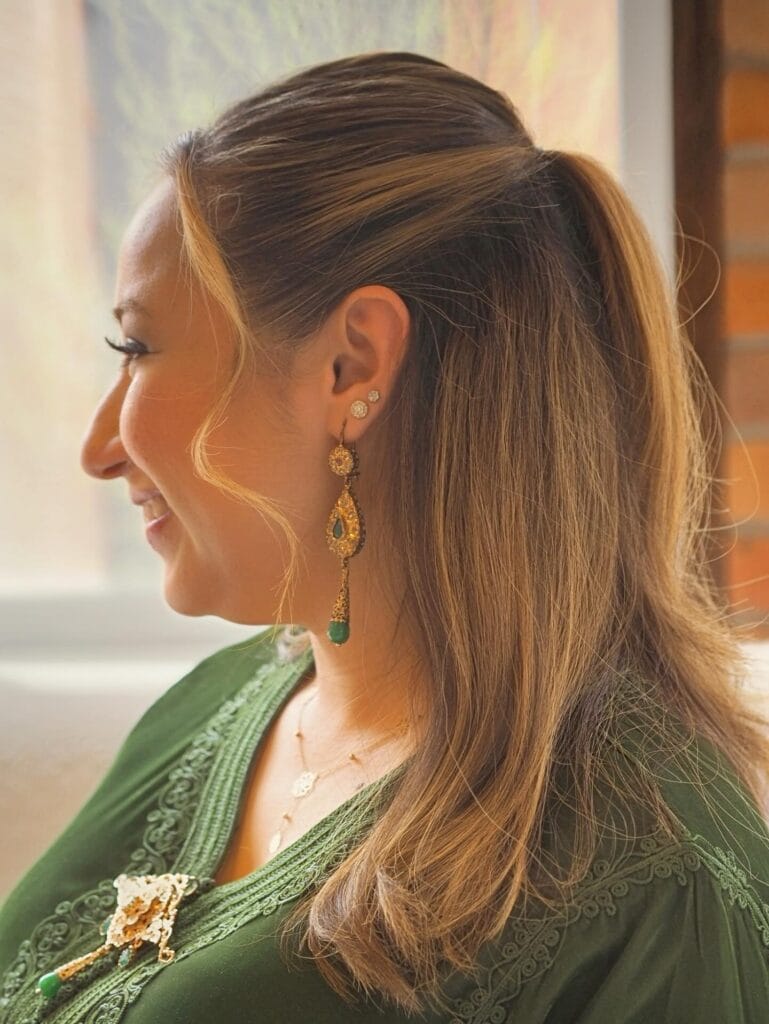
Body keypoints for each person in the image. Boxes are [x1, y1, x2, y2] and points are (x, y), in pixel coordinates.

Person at [1, 50, 769, 1024]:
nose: (98, 447)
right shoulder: (224, 703)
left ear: (350, 364)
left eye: (139, 349)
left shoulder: (655, 879)